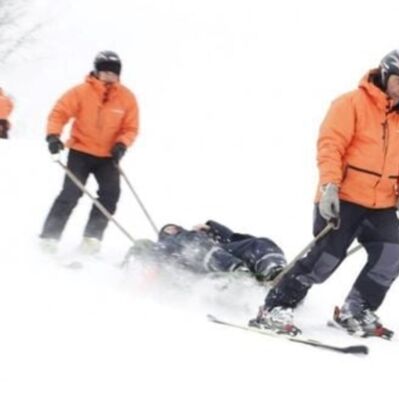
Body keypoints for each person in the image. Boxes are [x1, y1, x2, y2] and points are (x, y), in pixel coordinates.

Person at [253, 49, 399, 338]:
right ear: (384, 75)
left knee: (392, 256)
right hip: (343, 198)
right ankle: (275, 307)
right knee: (325, 260)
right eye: (398, 81)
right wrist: (329, 186)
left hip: (382, 203)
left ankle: (356, 310)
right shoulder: (350, 104)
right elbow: (330, 146)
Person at [39, 51, 139, 254]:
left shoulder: (127, 97)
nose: (109, 77)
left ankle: (92, 238)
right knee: (71, 193)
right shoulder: (80, 92)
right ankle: (49, 236)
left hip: (108, 157)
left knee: (110, 195)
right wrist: (53, 136)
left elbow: (131, 127)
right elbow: (59, 113)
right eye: (105, 72)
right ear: (96, 72)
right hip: (80, 152)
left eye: (113, 73)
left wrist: (122, 144)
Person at [125, 220, 287, 282]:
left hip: (220, 252)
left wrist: (212, 228)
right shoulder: (166, 247)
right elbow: (146, 253)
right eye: (168, 230)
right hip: (193, 264)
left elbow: (233, 239)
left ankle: (273, 269)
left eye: (175, 227)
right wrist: (141, 246)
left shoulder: (201, 236)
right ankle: (237, 271)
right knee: (194, 245)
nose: (173, 230)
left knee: (259, 242)